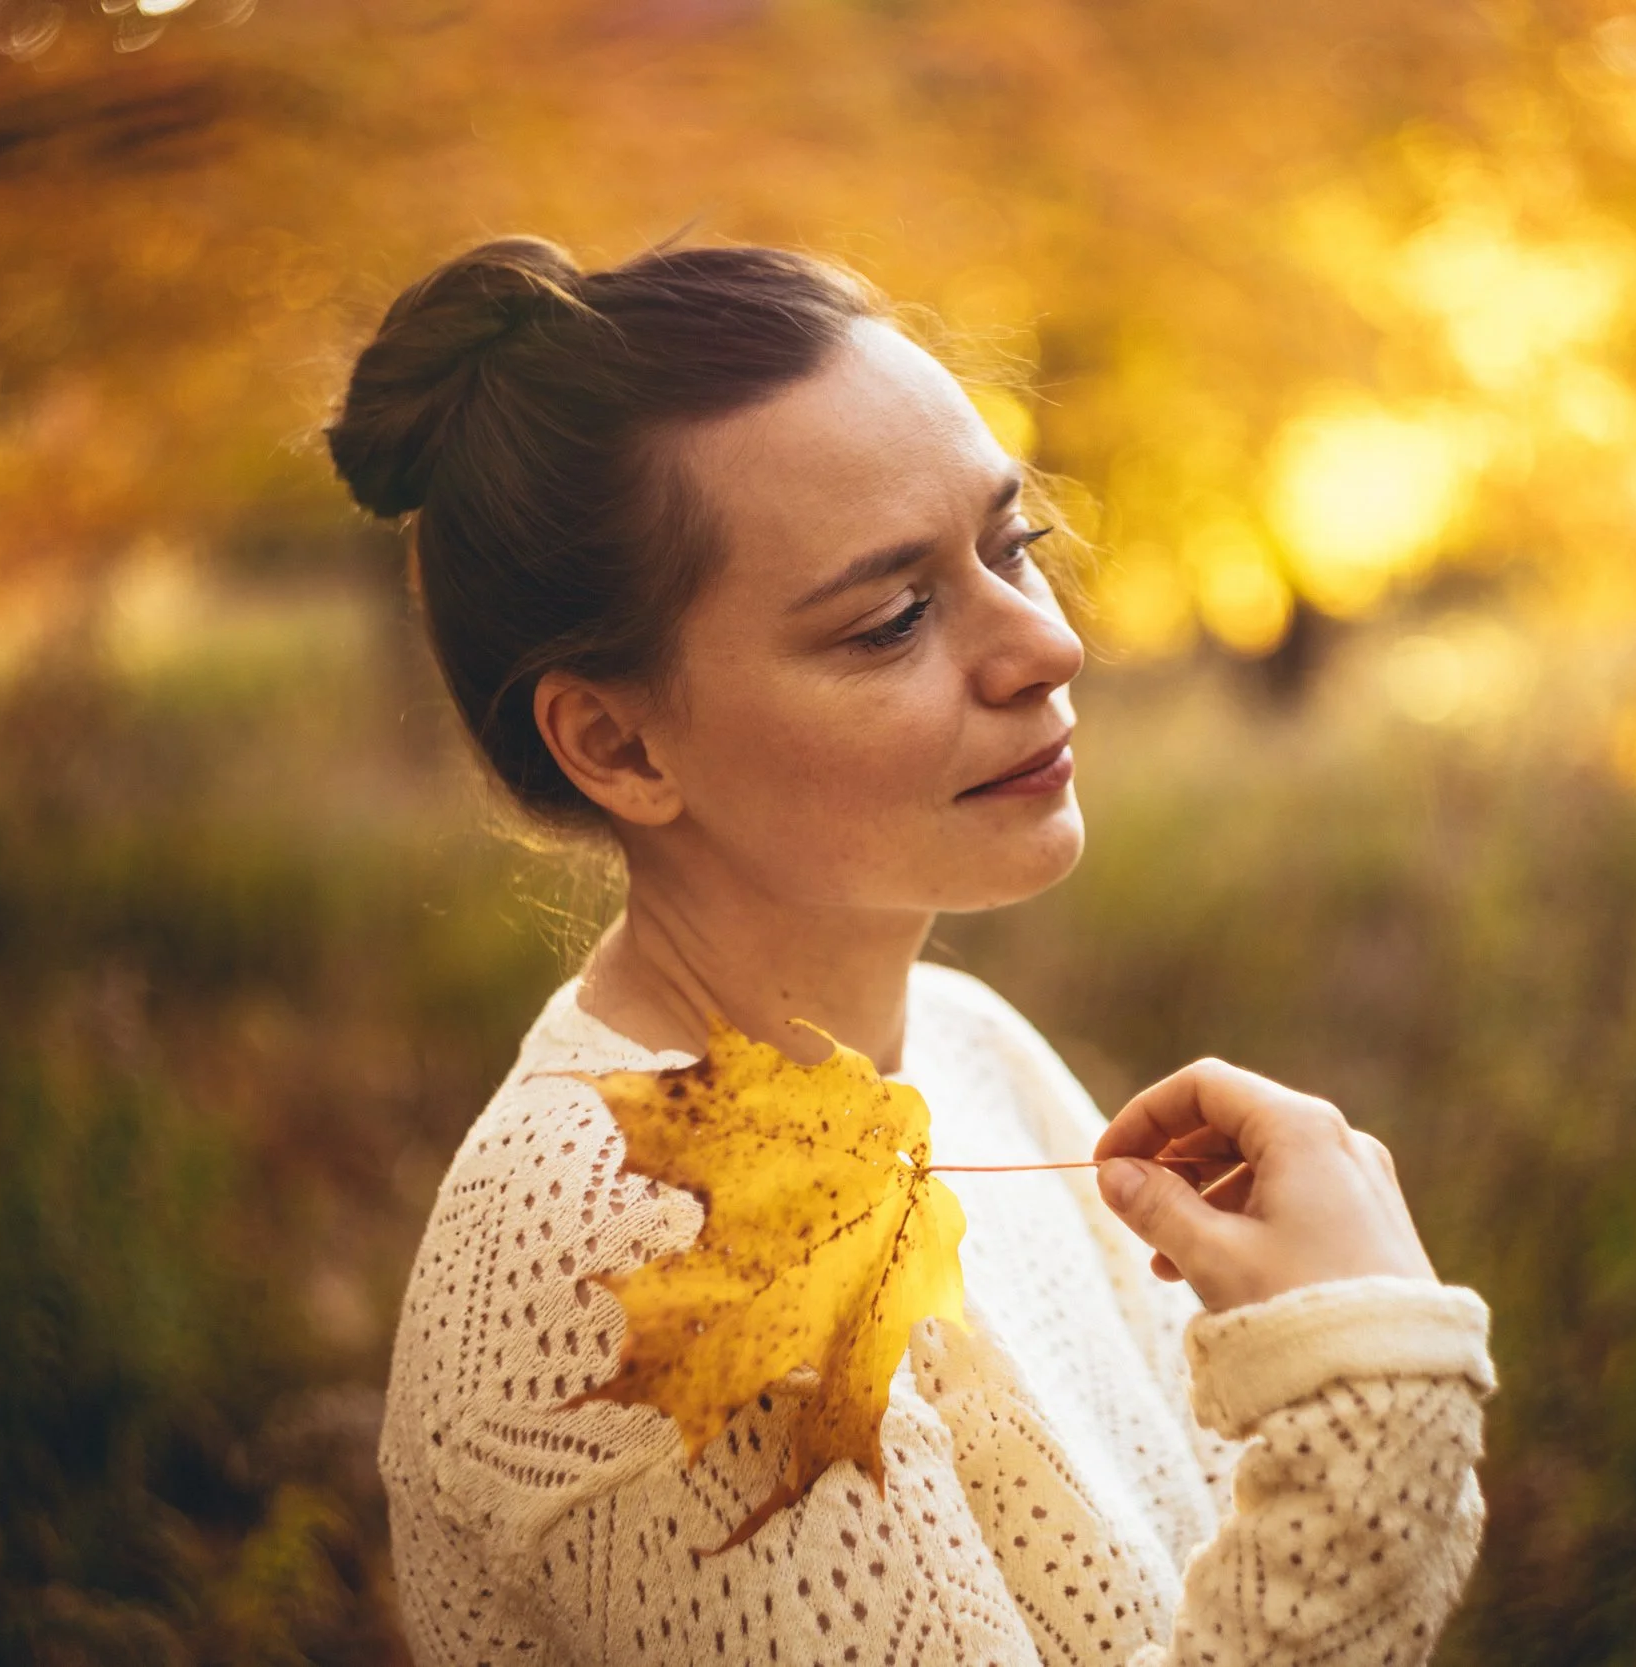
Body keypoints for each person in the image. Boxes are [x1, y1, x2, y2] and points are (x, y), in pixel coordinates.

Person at [325, 236, 1495, 1667]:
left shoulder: (967, 1044)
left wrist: (1311, 1348)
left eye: (1014, 546)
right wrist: (1368, 1389)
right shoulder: (619, 1240)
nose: (1046, 646)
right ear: (618, 742)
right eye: (892, 619)